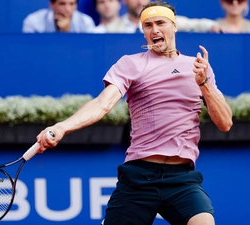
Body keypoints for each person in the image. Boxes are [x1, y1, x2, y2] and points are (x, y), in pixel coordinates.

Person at [36, 1, 233, 224]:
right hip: (139, 176)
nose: (155, 30)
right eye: (148, 25)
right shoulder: (132, 64)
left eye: (161, 23)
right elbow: (103, 103)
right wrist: (62, 127)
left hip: (182, 179)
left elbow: (225, 123)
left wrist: (204, 83)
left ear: (174, 26)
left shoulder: (198, 67)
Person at [105, 0, 224, 33]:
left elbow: (196, 24)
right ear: (124, 1)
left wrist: (212, 26)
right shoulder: (110, 29)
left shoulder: (165, 20)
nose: (139, 1)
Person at [22, 0, 95, 33]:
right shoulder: (33, 21)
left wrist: (65, 32)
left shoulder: (86, 22)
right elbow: (30, 49)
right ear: (51, 4)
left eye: (72, 4)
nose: (67, 9)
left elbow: (87, 52)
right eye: (62, 4)